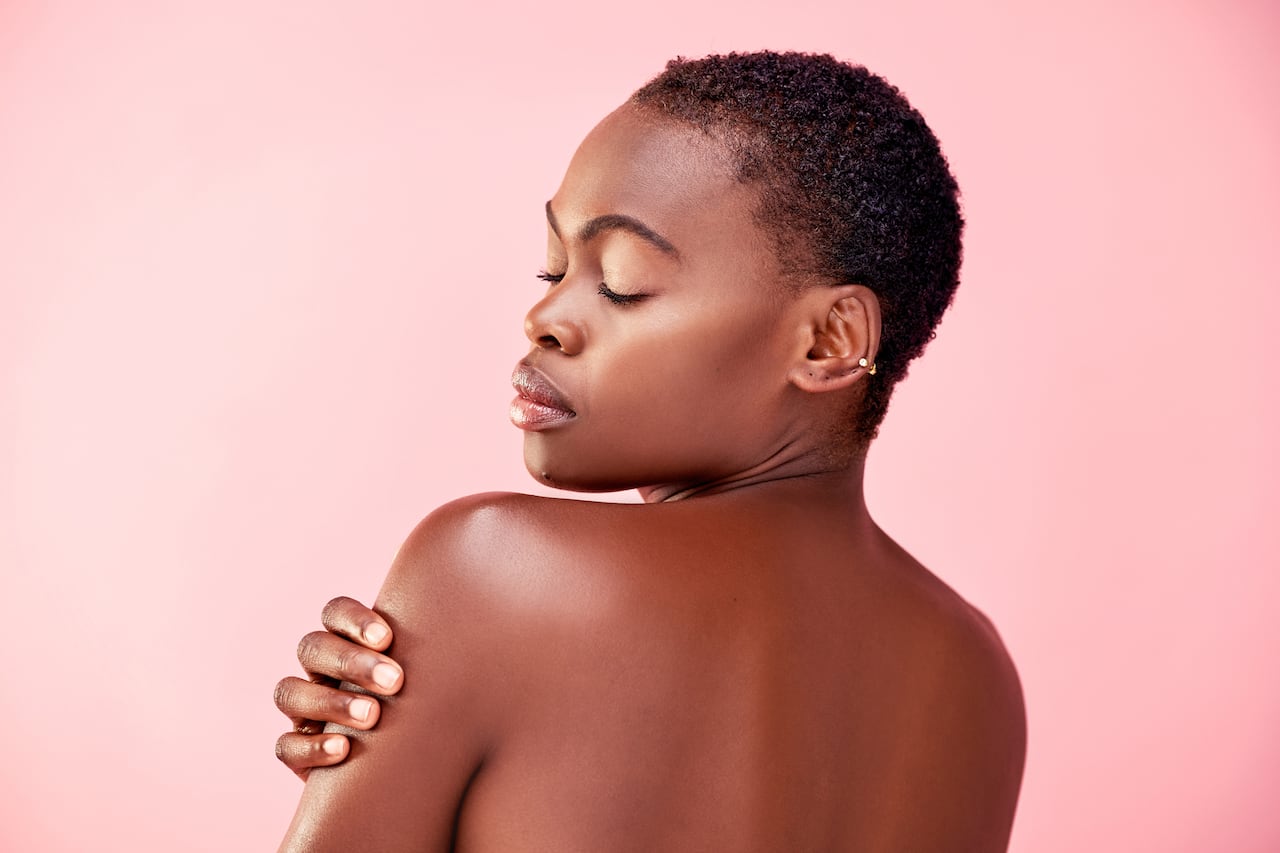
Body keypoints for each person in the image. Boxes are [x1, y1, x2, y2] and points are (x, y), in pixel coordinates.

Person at [274, 51, 1026, 851]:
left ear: (829, 339)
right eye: (554, 265)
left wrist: (377, 778)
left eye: (622, 281)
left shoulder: (492, 567)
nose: (546, 316)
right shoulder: (978, 677)